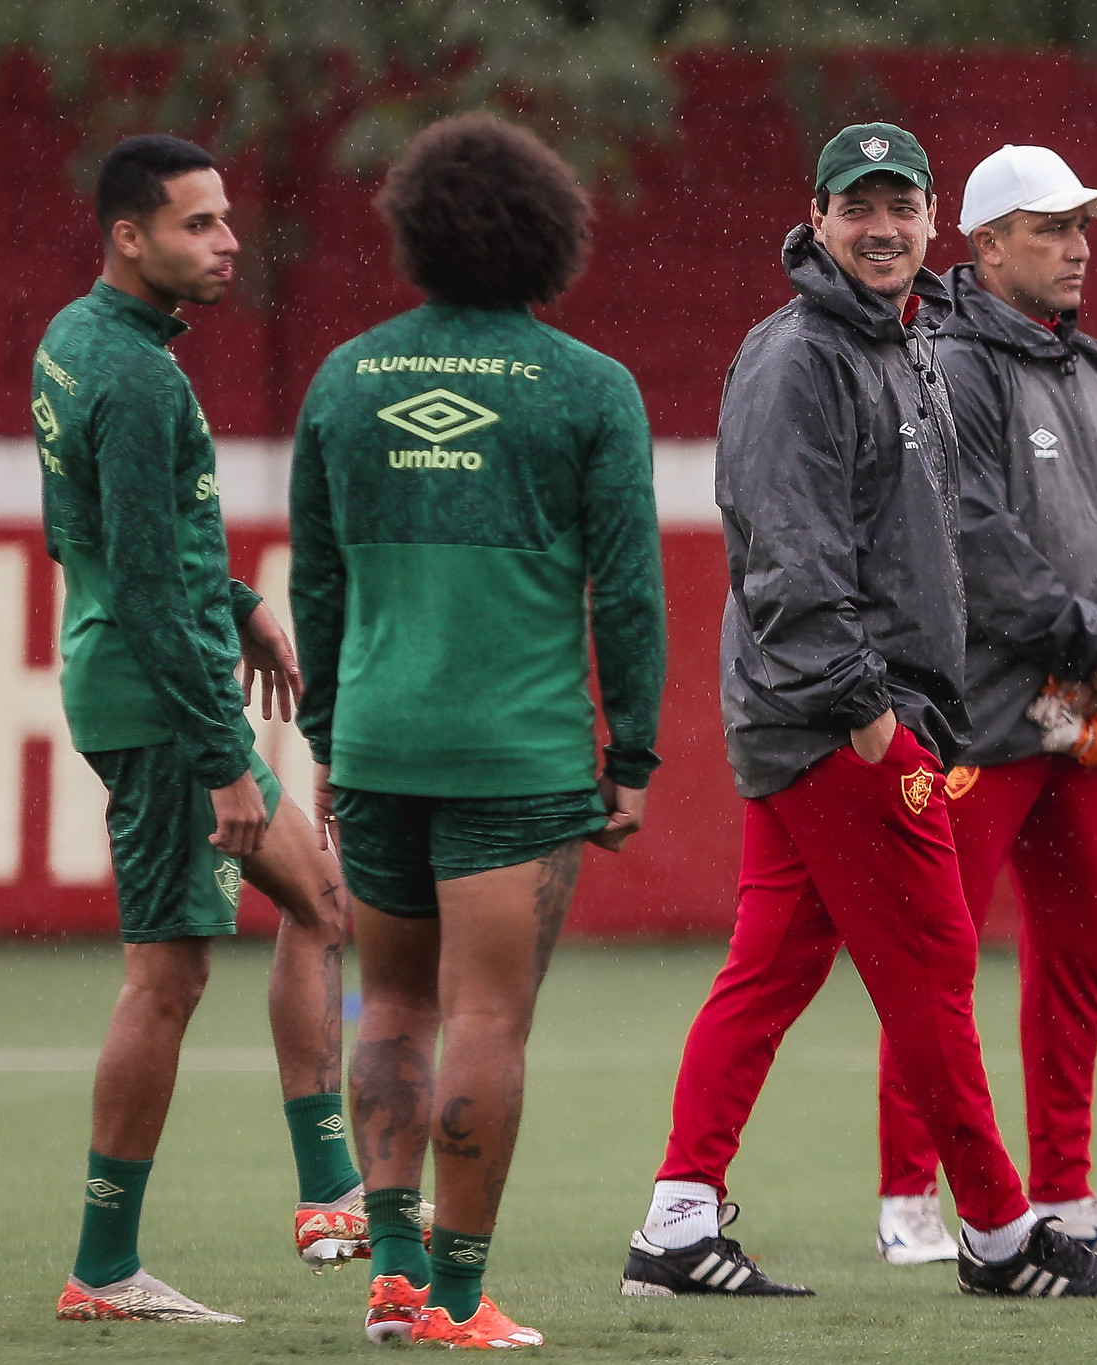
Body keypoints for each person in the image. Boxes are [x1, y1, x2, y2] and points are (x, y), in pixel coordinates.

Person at [619, 123, 1097, 1302]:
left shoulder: (897, 339)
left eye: (900, 207)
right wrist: (870, 716)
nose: (882, 229)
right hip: (836, 720)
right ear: (815, 219)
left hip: (840, 710)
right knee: (931, 966)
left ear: (927, 222)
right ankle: (1003, 1236)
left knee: (768, 973)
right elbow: (789, 554)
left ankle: (676, 1221)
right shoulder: (798, 354)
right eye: (857, 208)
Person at [290, 113, 666, 1349]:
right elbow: (626, 589)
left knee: (387, 1008)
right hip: (516, 754)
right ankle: (456, 1297)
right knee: (487, 1020)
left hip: (384, 744)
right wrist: (633, 757)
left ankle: (390, 1275)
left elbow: (318, 585)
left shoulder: (344, 380)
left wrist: (333, 742)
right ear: (550, 234)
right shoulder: (589, 388)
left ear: (416, 231)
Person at [35, 134, 363, 1324]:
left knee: (323, 901)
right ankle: (104, 1269)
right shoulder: (133, 379)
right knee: (164, 981)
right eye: (199, 224)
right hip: (158, 702)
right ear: (130, 237)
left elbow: (104, 536)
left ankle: (330, 1188)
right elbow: (131, 571)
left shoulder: (77, 343)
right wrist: (221, 753)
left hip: (139, 674)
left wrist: (238, 605)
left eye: (225, 219)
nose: (228, 243)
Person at [871, 144, 1097, 1265]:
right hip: (977, 708)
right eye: (1051, 229)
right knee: (934, 949)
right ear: (986, 243)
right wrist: (1088, 641)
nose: (1078, 247)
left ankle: (1060, 1189)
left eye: (1082, 228)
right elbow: (968, 535)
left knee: (1080, 940)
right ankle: (908, 1200)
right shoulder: (947, 366)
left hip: (1084, 706)